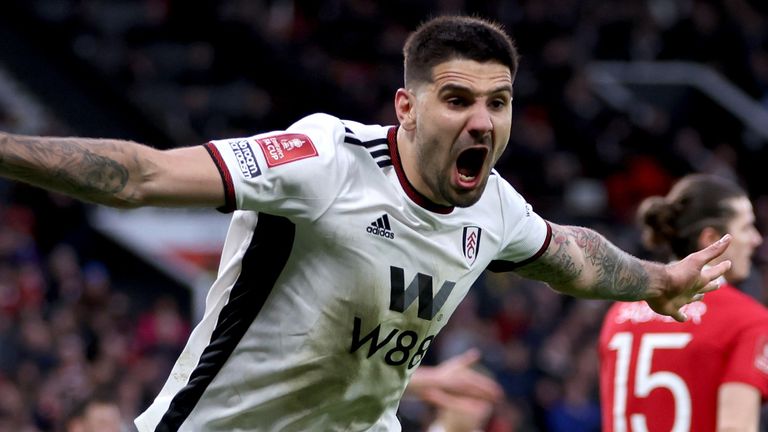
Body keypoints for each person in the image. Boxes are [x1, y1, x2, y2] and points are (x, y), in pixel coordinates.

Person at [0, 15, 732, 432]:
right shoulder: (323, 159)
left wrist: (659, 278)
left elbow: (569, 253)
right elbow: (142, 176)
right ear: (406, 109)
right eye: (456, 99)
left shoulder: (495, 205)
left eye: (499, 103)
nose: (482, 120)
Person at [598, 174, 768, 432]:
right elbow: (735, 427)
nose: (756, 239)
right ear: (711, 238)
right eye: (746, 228)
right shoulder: (748, 320)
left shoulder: (619, 314)